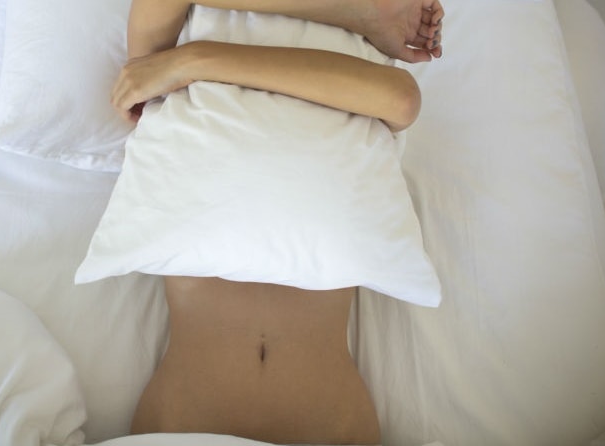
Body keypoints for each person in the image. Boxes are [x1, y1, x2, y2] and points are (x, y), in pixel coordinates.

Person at [111, 1, 444, 444]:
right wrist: (357, 15)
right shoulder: (164, 62)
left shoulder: (176, 64)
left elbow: (401, 97)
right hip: (185, 424)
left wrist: (195, 60)